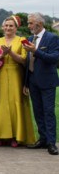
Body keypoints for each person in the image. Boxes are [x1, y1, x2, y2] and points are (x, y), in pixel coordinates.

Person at [0, 15, 35, 147]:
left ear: (16, 28)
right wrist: (2, 55)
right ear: (3, 27)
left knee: (14, 103)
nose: (8, 28)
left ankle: (15, 136)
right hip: (0, 76)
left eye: (11, 25)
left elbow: (23, 60)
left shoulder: (22, 40)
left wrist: (10, 53)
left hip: (16, 75)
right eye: (6, 25)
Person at [23, 13, 59, 155]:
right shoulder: (30, 39)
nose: (29, 26)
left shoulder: (52, 38)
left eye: (31, 23)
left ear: (39, 24)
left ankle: (51, 143)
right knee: (38, 112)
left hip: (47, 81)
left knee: (48, 112)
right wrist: (26, 83)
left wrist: (35, 51)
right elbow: (28, 63)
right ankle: (43, 139)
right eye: (28, 23)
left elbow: (54, 58)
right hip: (33, 81)